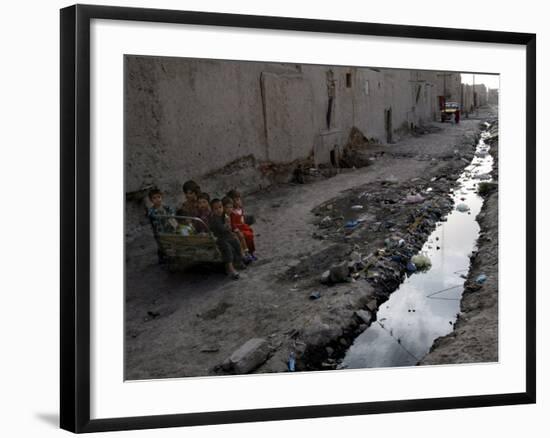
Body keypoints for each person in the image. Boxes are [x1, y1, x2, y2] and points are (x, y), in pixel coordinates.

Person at [208, 198, 243, 279]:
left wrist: (230, 230)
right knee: (227, 249)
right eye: (216, 208)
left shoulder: (224, 216)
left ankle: (239, 261)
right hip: (220, 238)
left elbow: (229, 228)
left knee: (236, 243)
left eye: (220, 207)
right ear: (212, 210)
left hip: (227, 236)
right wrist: (227, 224)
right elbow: (222, 229)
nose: (219, 210)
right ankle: (231, 268)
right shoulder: (214, 219)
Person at [146, 189, 176, 263]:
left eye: (158, 197)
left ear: (162, 197)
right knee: (161, 244)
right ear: (151, 200)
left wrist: (171, 215)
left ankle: (171, 256)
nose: (157, 200)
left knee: (170, 242)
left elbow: (172, 211)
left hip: (168, 229)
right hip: (159, 231)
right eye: (154, 198)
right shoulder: (152, 210)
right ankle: (161, 256)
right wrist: (160, 215)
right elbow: (151, 215)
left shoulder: (166, 207)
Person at [226, 189, 256, 260]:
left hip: (243, 226)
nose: (238, 201)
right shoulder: (232, 212)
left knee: (250, 236)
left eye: (239, 199)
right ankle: (246, 254)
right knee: (245, 236)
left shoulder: (240, 209)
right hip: (237, 228)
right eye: (235, 200)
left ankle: (251, 252)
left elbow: (242, 219)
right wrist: (236, 229)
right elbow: (232, 223)